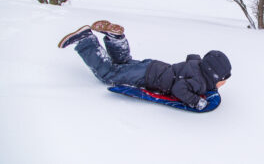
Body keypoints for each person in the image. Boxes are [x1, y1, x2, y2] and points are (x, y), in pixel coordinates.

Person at [58, 20, 232, 110]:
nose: (223, 83)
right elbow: (179, 89)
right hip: (147, 77)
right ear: (212, 76)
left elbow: (191, 57)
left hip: (154, 66)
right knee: (109, 75)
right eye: (222, 80)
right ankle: (86, 40)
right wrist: (196, 102)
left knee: (124, 64)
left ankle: (116, 39)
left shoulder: (196, 63)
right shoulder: (200, 82)